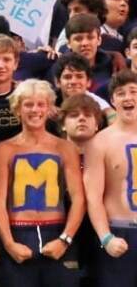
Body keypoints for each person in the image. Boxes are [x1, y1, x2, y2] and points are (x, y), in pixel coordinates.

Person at [0, 79, 85, 287]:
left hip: (57, 232)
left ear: (49, 108)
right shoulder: (3, 149)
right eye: (28, 104)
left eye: (41, 104)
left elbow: (78, 198)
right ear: (17, 109)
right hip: (18, 233)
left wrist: (65, 239)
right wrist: (8, 243)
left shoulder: (64, 148)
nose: (35, 110)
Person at [84, 69, 137, 285]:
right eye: (121, 93)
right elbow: (93, 197)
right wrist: (106, 237)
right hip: (119, 232)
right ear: (113, 99)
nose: (128, 97)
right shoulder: (100, 142)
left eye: (133, 91)